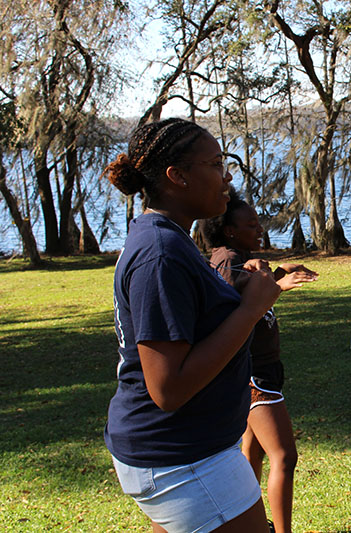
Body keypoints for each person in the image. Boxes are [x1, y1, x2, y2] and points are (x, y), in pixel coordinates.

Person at [103, 118, 281, 532]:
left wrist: (234, 290)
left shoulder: (168, 237)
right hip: (182, 457)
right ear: (177, 176)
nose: (228, 175)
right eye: (216, 163)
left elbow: (189, 318)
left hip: (186, 451)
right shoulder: (160, 253)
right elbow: (168, 388)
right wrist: (249, 311)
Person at [198, 189, 317, 533]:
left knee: (253, 454)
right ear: (230, 230)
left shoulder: (233, 255)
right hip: (253, 373)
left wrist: (279, 275)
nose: (260, 229)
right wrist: (277, 281)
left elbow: (245, 291)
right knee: (284, 456)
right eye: (251, 224)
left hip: (259, 369)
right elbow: (231, 297)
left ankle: (245, 525)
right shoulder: (227, 257)